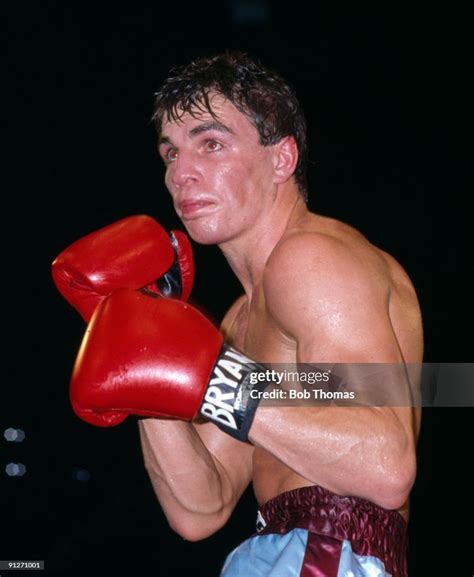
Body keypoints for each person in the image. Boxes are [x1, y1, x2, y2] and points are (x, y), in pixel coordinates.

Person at [56, 52, 423, 576]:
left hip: (326, 550)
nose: (182, 173)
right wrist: (142, 354)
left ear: (282, 159)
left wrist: (215, 384)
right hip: (272, 547)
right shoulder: (239, 317)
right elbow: (199, 508)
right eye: (170, 154)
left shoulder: (313, 257)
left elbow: (385, 467)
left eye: (211, 144)